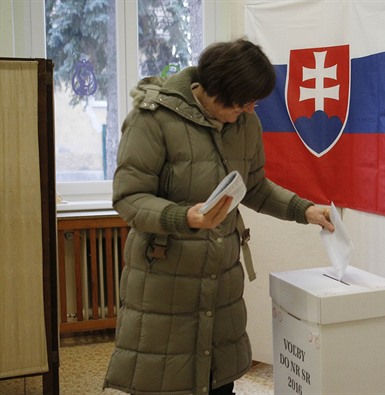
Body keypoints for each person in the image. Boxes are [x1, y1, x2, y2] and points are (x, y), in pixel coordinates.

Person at [103, 38, 334, 395]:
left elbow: (254, 187)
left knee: (218, 379)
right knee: (165, 379)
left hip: (221, 280)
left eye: (252, 104)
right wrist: (185, 217)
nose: (247, 110)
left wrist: (304, 210)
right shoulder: (152, 120)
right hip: (164, 282)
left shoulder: (245, 123)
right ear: (214, 90)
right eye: (241, 103)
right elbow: (129, 198)